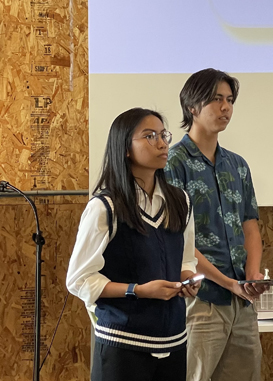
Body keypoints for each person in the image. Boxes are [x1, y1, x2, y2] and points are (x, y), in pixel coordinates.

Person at [66, 108, 200, 381]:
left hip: (173, 340)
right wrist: (137, 291)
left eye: (164, 135)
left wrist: (188, 278)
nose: (162, 143)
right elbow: (79, 280)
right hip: (123, 344)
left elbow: (186, 259)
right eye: (149, 136)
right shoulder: (105, 207)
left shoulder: (181, 201)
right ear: (125, 148)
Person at [164, 68, 265, 381]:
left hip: (241, 301)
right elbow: (179, 242)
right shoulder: (172, 162)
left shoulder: (237, 165)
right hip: (201, 299)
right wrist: (228, 282)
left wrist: (251, 276)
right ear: (193, 106)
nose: (226, 107)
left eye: (230, 100)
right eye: (217, 99)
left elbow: (251, 226)